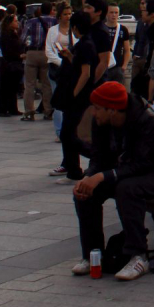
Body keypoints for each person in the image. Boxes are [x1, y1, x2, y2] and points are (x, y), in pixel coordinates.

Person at [70, 81, 154, 281]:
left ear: (112, 110)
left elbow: (143, 163)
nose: (94, 114)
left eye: (97, 109)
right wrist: (89, 177)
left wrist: (104, 176)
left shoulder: (146, 121)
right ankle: (93, 254)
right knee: (85, 193)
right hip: (122, 171)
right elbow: (98, 157)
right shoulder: (101, 122)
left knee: (126, 189)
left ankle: (138, 255)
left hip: (153, 174)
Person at [52, 11, 98, 181]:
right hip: (77, 96)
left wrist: (73, 94)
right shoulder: (85, 44)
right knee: (68, 133)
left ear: (75, 27)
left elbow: (85, 73)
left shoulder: (85, 45)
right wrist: (70, 56)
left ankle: (91, 159)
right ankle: (74, 170)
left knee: (69, 134)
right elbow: (80, 66)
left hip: (78, 98)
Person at [21, 3, 55, 121]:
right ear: (51, 10)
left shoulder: (31, 21)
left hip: (33, 53)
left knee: (29, 84)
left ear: (40, 10)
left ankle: (29, 111)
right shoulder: (55, 21)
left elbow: (23, 38)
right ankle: (48, 111)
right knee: (47, 84)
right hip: (47, 53)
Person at [45, 3, 72, 141]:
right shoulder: (53, 31)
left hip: (72, 68)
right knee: (58, 100)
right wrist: (62, 62)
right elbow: (49, 51)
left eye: (69, 14)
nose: (68, 17)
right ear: (59, 16)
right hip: (57, 69)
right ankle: (59, 131)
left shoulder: (75, 30)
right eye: (65, 14)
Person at [0, 14, 25, 117]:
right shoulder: (6, 35)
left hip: (16, 63)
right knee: (5, 87)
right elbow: (8, 51)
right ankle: (2, 109)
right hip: (9, 64)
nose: (17, 23)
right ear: (9, 23)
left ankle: (12, 108)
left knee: (13, 87)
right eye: (15, 21)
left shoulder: (14, 33)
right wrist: (20, 56)